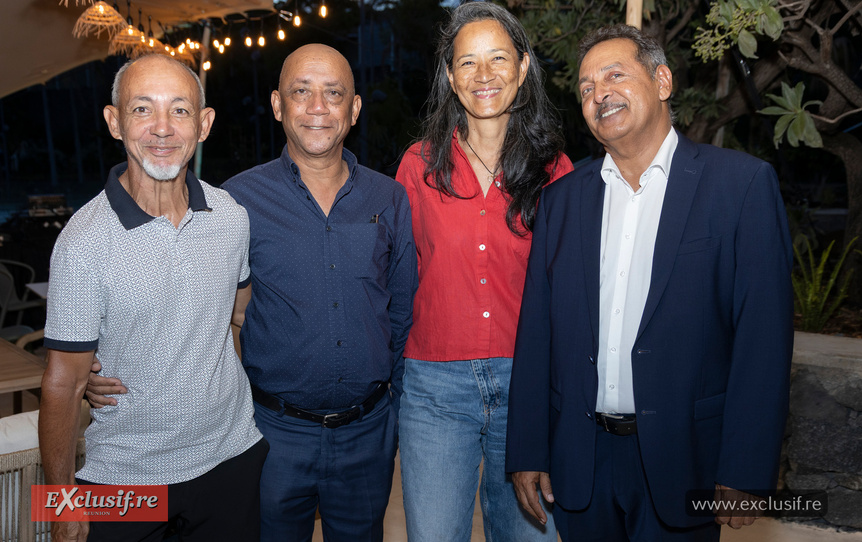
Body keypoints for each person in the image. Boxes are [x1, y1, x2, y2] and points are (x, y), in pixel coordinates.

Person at [89, 44, 417, 541]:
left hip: (366, 433)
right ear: (277, 105)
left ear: (353, 110)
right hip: (270, 433)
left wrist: (391, 411)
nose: (316, 107)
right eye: (300, 92)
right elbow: (184, 300)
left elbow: (401, 312)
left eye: (333, 94)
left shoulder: (389, 197)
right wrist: (93, 366)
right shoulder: (236, 202)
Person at [506, 24, 794, 542]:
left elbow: (763, 340)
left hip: (686, 458)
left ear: (662, 81)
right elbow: (537, 335)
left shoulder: (741, 186)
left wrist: (745, 469)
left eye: (616, 75)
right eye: (587, 88)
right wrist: (528, 448)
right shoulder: (562, 201)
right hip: (582, 460)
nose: (600, 94)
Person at [40, 54, 266, 542]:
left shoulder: (230, 216)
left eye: (180, 110)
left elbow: (237, 318)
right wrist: (60, 505)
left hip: (231, 459)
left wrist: (219, 396)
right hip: (124, 477)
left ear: (203, 125)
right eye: (142, 109)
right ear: (114, 121)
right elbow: (62, 384)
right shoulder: (82, 243)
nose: (162, 129)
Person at [394, 3, 573, 540]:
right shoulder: (417, 166)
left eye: (498, 58)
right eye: (467, 63)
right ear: (450, 77)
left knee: (531, 534)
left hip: (530, 385)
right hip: (434, 388)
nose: (484, 75)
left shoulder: (554, 170)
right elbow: (398, 276)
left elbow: (568, 291)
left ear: (522, 68)